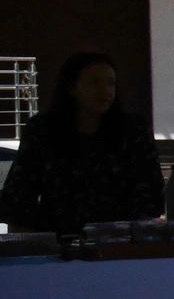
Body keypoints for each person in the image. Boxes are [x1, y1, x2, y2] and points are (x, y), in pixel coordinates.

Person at [0, 51, 163, 235]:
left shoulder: (134, 130)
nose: (105, 91)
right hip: (58, 244)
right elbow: (19, 197)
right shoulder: (43, 130)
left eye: (111, 83)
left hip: (120, 244)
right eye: (94, 82)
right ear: (72, 87)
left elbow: (150, 193)